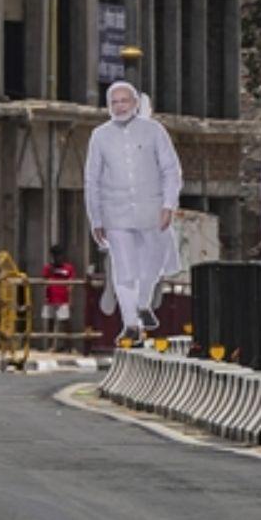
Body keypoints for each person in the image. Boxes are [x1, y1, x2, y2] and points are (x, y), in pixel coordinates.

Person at [84, 80, 183, 345]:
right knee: (123, 267)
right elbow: (92, 179)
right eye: (114, 102)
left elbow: (170, 170)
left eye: (124, 101)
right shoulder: (100, 136)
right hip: (115, 212)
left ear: (135, 103)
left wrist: (168, 205)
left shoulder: (153, 131)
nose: (119, 107)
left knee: (154, 262)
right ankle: (130, 324)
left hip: (151, 209)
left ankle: (142, 303)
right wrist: (96, 217)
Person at [41, 245, 75, 352]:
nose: (57, 258)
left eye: (59, 255)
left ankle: (69, 346)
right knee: (50, 321)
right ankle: (51, 346)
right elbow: (44, 281)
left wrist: (70, 299)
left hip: (63, 298)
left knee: (65, 322)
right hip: (50, 298)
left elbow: (71, 284)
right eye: (55, 256)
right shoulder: (48, 268)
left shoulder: (68, 268)